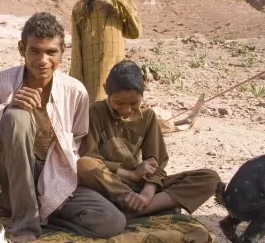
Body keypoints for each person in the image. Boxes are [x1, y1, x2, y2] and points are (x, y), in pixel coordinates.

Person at [0, 12, 125, 243]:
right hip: (11, 180)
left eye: (51, 52)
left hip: (56, 176)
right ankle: (25, 225)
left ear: (62, 52)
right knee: (16, 118)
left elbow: (77, 147)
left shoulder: (75, 91)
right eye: (34, 50)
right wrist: (6, 110)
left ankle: (42, 214)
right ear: (21, 48)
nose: (42, 60)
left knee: (111, 221)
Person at [77, 60, 221, 219]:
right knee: (84, 165)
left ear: (142, 93)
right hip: (111, 184)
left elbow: (155, 162)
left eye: (134, 103)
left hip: (142, 185)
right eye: (119, 103)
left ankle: (136, 210)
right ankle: (149, 206)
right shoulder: (96, 112)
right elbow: (90, 157)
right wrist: (131, 175)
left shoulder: (148, 116)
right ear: (106, 90)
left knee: (210, 178)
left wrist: (147, 193)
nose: (126, 110)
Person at [69, 0, 142, 104]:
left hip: (115, 67)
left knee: (116, 104)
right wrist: (75, 80)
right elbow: (76, 48)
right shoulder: (81, 8)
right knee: (93, 109)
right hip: (90, 72)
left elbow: (135, 32)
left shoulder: (120, 5)